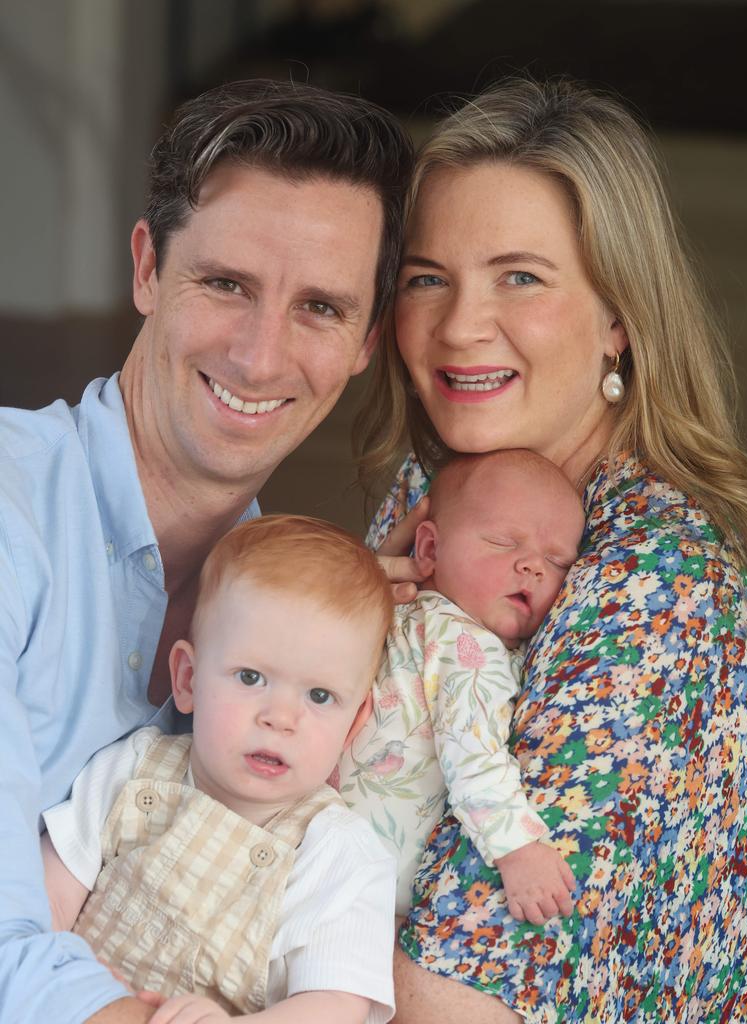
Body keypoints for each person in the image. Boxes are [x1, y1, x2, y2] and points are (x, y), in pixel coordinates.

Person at [0, 79, 412, 1024]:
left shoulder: (303, 630)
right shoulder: (12, 512)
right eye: (226, 284)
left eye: (319, 307)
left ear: (364, 342)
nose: (261, 358)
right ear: (147, 268)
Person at [356, 78, 747, 1023]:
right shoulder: (439, 488)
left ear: (620, 316)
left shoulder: (660, 587)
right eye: (427, 277)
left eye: (520, 276)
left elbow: (445, 996)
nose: (459, 325)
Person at [41, 516, 396, 1024]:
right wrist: (66, 978)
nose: (280, 717)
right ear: (187, 679)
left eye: (320, 696)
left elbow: (335, 1006)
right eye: (251, 677)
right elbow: (47, 894)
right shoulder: (132, 768)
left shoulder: (337, 852)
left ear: (354, 722)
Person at [340, 449, 583, 924]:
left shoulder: (387, 613)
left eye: (557, 561)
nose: (533, 565)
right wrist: (516, 846)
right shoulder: (468, 645)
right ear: (429, 550)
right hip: (368, 890)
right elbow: (472, 749)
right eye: (502, 541)